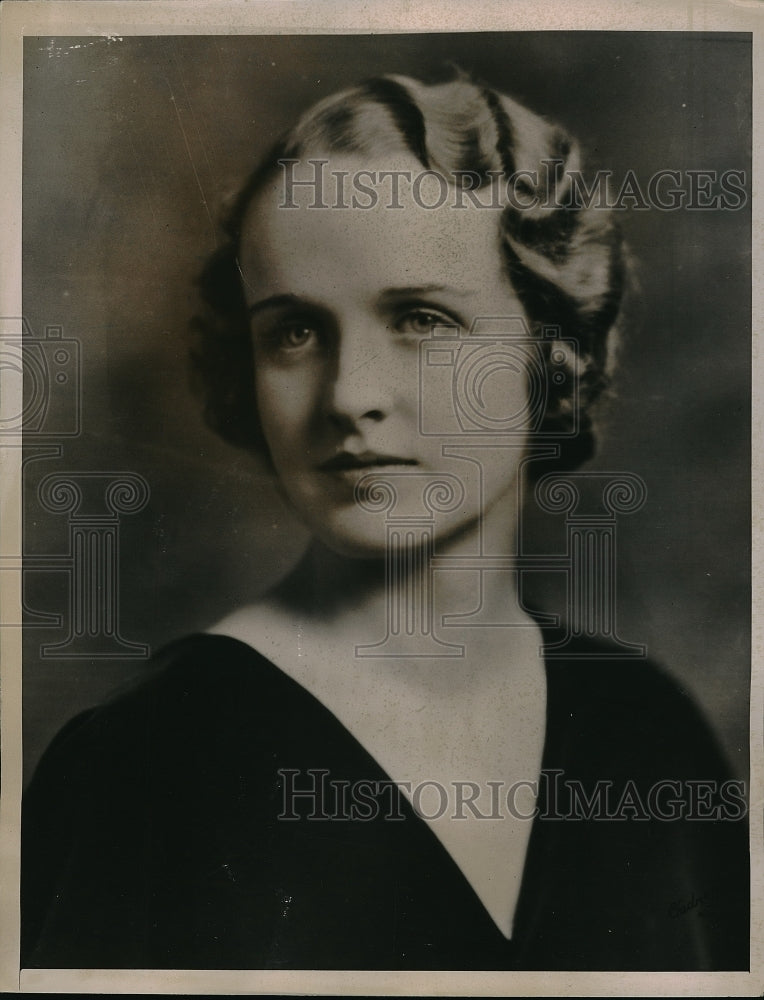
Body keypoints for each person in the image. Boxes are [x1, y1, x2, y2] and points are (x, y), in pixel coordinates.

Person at [21, 70, 748, 971]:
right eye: (292, 332)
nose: (350, 396)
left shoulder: (646, 732)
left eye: (421, 319)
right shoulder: (143, 765)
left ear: (548, 352)